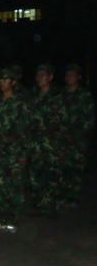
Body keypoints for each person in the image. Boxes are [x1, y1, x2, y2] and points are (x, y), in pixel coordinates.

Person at [0, 68, 30, 233]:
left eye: (6, 80)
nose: (2, 83)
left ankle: (12, 218)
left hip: (14, 151)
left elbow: (25, 130)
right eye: (1, 80)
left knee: (14, 185)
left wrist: (23, 153)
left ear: (13, 82)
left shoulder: (20, 103)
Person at [28, 64, 66, 216]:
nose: (39, 78)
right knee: (35, 173)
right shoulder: (33, 95)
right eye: (38, 75)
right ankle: (38, 204)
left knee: (51, 174)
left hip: (51, 142)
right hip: (35, 142)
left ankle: (50, 206)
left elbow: (63, 121)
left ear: (50, 77)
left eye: (43, 75)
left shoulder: (57, 96)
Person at [61, 63, 95, 207]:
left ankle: (73, 197)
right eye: (67, 75)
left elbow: (90, 118)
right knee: (63, 166)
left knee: (75, 167)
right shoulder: (61, 94)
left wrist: (78, 134)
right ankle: (63, 195)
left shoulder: (84, 95)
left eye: (72, 75)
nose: (69, 77)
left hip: (78, 138)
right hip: (62, 137)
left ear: (79, 77)